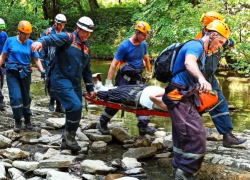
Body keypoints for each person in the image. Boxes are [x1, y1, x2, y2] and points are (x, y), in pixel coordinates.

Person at [162, 20, 230, 180]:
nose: (219, 46)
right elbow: (189, 62)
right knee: (197, 134)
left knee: (182, 133)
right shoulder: (196, 46)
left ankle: (179, 165)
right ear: (212, 35)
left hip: (181, 93)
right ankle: (185, 173)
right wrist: (202, 79)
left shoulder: (203, 50)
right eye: (219, 42)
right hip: (178, 94)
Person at [31, 16, 96, 153]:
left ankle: (67, 134)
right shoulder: (67, 38)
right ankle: (69, 138)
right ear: (78, 29)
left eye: (90, 32)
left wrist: (90, 88)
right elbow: (51, 39)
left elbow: (87, 70)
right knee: (75, 105)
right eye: (85, 31)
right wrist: (40, 42)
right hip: (60, 78)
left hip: (75, 81)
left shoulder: (86, 47)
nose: (87, 35)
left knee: (77, 111)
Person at [196, 11, 246, 148]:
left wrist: (231, 43)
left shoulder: (217, 37)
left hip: (210, 78)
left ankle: (227, 136)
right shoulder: (199, 42)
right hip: (199, 78)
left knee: (220, 102)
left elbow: (228, 41)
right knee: (197, 107)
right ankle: (190, 137)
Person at [98, 21, 154, 136]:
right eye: (143, 35)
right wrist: (108, 82)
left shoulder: (143, 44)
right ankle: (103, 122)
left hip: (137, 76)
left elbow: (146, 58)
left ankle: (143, 126)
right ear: (137, 32)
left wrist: (149, 72)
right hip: (124, 77)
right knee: (117, 99)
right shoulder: (124, 46)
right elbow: (114, 64)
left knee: (143, 99)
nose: (144, 38)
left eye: (146, 36)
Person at [0, 20, 44, 133]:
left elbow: (36, 59)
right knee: (15, 97)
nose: (27, 36)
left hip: (25, 73)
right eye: (25, 34)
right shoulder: (10, 41)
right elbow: (3, 56)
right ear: (19, 32)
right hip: (12, 72)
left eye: (28, 34)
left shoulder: (31, 43)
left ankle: (27, 118)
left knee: (26, 97)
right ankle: (18, 120)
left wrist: (42, 71)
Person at [40, 14, 67, 113]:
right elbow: (42, 46)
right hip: (49, 59)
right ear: (55, 23)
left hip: (60, 61)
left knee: (60, 81)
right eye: (60, 24)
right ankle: (52, 101)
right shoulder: (47, 32)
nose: (61, 26)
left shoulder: (65, 33)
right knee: (50, 80)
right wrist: (41, 60)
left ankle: (59, 104)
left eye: (63, 24)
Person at [94, 81, 168, 112]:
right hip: (144, 89)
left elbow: (153, 96)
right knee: (121, 88)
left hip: (140, 97)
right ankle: (102, 88)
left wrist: (168, 90)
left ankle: (97, 92)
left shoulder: (169, 106)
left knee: (116, 94)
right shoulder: (176, 99)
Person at [0, 18, 8, 110]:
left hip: (2, 60)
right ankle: (0, 98)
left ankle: (0, 93)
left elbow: (7, 46)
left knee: (1, 80)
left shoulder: (4, 35)